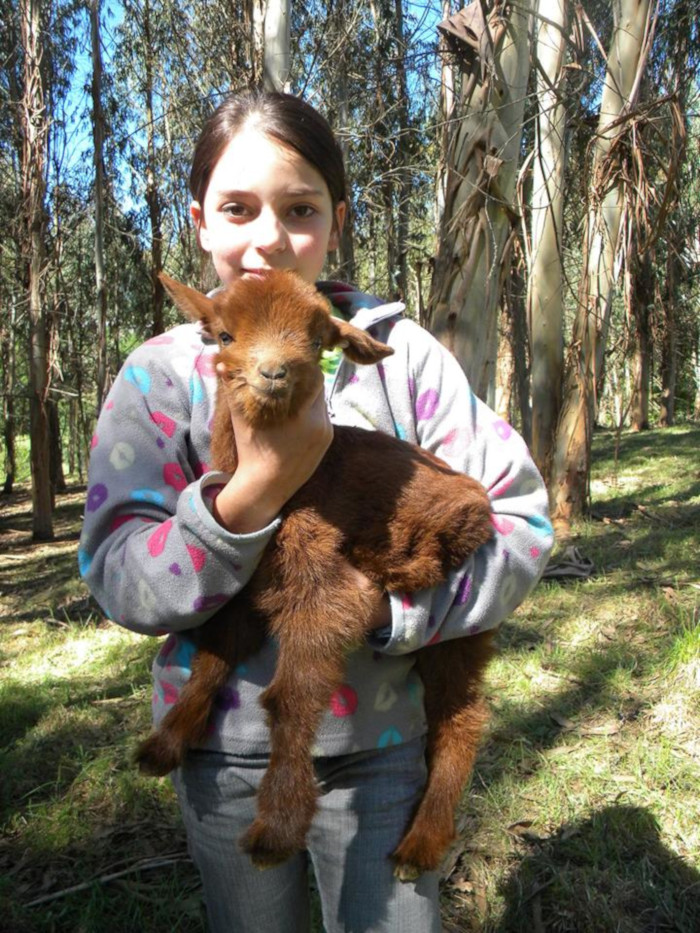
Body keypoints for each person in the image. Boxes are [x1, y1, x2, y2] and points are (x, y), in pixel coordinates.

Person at [79, 89, 554, 933]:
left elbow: (519, 519)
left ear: (338, 216)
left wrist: (392, 610)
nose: (268, 238)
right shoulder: (157, 380)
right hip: (222, 756)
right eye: (237, 208)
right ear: (200, 221)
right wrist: (251, 493)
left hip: (385, 754)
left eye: (300, 209)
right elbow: (119, 574)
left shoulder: (403, 358)